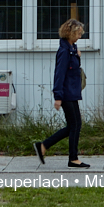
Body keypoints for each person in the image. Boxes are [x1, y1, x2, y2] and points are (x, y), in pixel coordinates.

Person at [35, 18, 89, 168]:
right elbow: (59, 74)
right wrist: (58, 96)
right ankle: (72, 158)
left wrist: (77, 57)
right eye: (78, 33)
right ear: (70, 33)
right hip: (66, 94)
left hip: (71, 92)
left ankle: (44, 146)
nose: (80, 36)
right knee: (75, 125)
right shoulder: (64, 51)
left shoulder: (72, 50)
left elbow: (74, 71)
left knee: (74, 125)